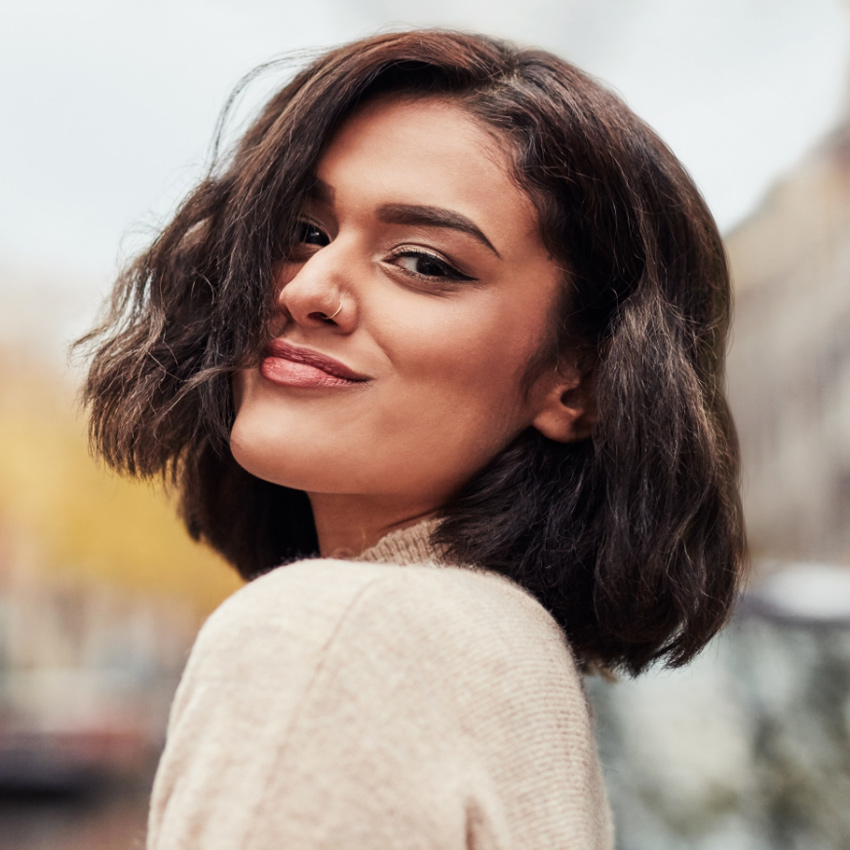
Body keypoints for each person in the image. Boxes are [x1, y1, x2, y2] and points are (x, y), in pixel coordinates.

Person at [79, 29, 746, 849]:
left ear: (579, 383)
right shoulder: (507, 657)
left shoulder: (336, 635)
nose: (309, 288)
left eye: (425, 262)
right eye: (302, 230)